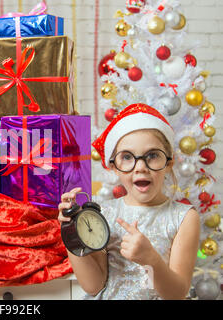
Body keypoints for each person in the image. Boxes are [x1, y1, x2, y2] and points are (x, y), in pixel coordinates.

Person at [58, 103, 200, 300]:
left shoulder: (184, 218)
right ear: (114, 167)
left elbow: (176, 294)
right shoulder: (105, 214)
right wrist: (71, 231)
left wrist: (151, 260)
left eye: (152, 156)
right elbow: (93, 286)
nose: (140, 167)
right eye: (127, 157)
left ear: (169, 163)